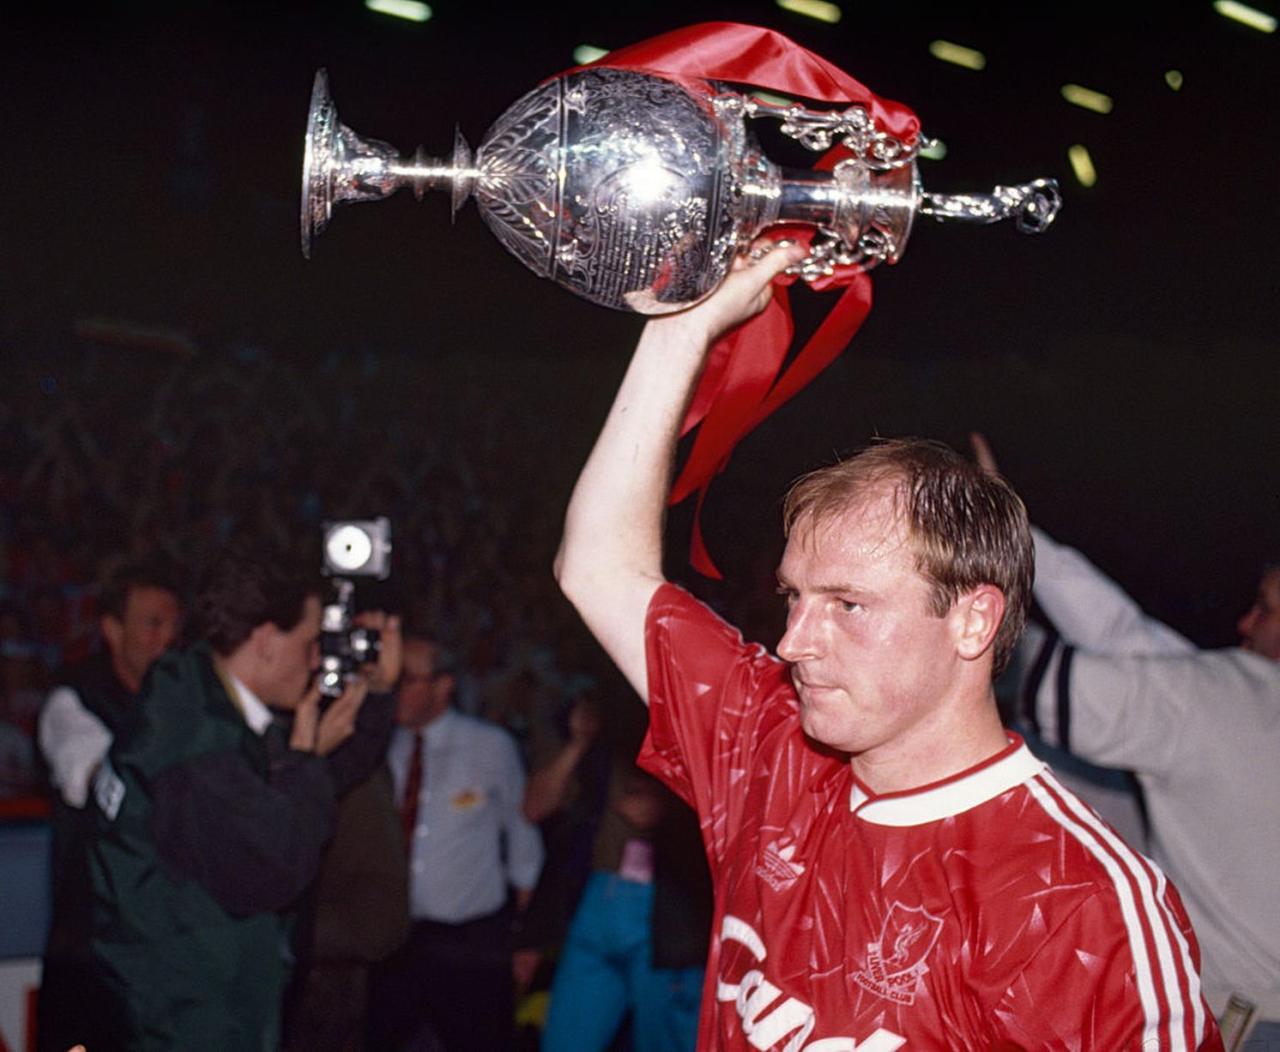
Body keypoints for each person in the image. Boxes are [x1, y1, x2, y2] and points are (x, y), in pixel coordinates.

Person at [553, 239, 1221, 1049]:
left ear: (973, 620)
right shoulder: (770, 750)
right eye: (796, 598)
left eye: (849, 604)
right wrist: (682, 328)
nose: (795, 641)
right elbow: (599, 567)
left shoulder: (1077, 899)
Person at [972, 433, 1280, 1044]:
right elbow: (1127, 636)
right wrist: (1021, 536)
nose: (1244, 622)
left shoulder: (1219, 698)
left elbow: (1041, 678)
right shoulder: (1232, 700)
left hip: (1238, 1029)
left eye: (1266, 608)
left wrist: (965, 605)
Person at [87, 544, 401, 1051]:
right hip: (192, 1015)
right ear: (266, 641)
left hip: (202, 994)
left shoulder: (199, 694)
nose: (319, 658)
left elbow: (318, 783)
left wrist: (377, 696)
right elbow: (274, 869)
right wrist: (304, 759)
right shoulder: (197, 746)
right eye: (309, 642)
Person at [367, 633, 544, 1052]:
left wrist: (527, 938)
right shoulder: (379, 746)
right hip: (393, 939)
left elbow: (522, 841)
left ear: (442, 685)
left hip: (469, 945)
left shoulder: (489, 747)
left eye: (407, 679)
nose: (395, 690)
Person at [36, 561, 181, 1052]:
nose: (166, 637)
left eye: (173, 624)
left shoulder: (185, 701)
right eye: (152, 623)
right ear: (112, 630)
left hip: (165, 949)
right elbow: (101, 786)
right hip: (90, 950)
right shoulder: (73, 700)